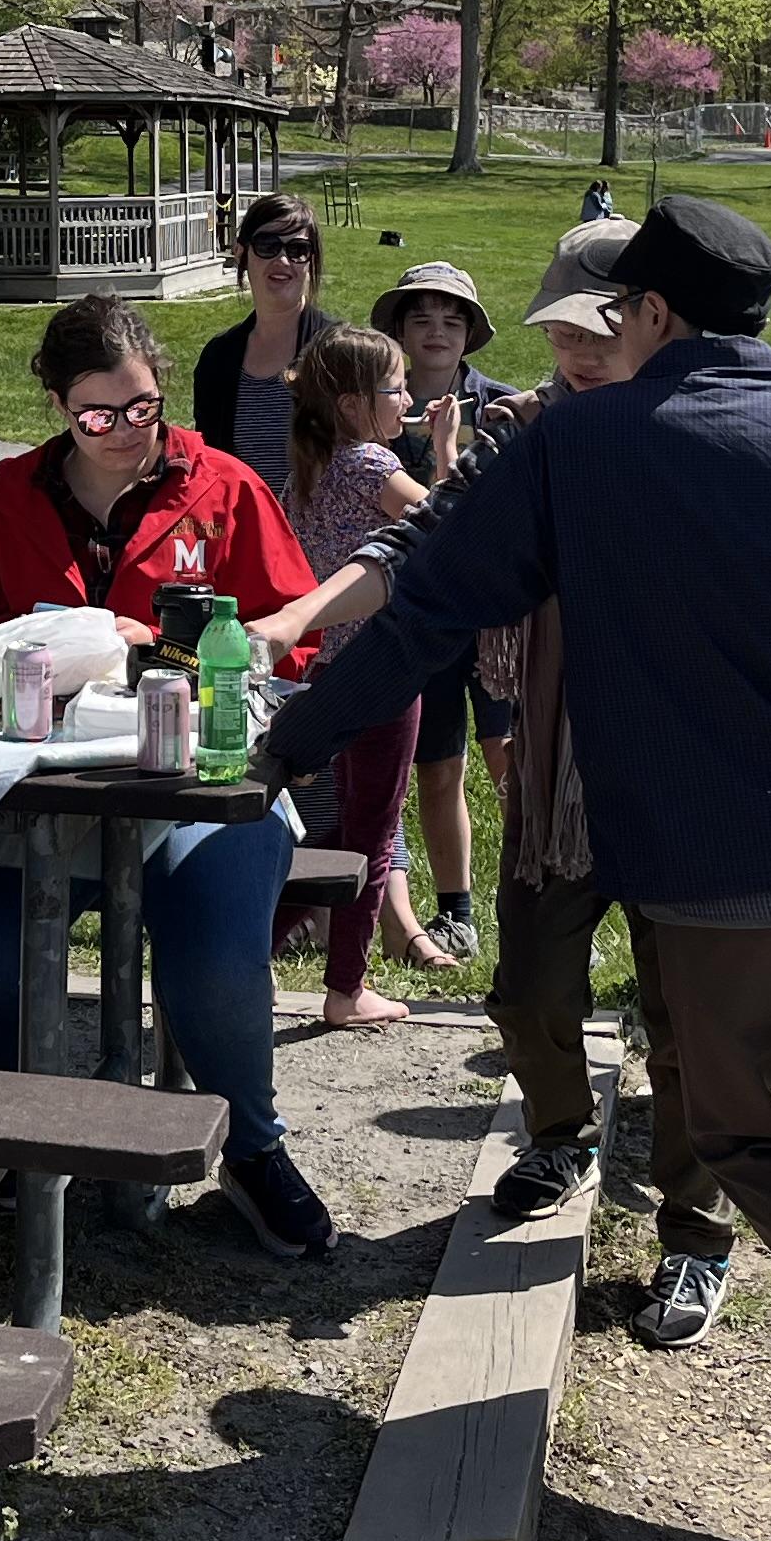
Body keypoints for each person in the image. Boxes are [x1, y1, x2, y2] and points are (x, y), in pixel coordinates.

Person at [258, 195, 771, 1541]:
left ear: (657, 315)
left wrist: (286, 742)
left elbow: (432, 610)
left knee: (752, 1152)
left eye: (623, 309)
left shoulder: (579, 446)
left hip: (717, 888)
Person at [255, 219, 744, 1351]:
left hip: (683, 784)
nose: (575, 352)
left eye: (599, 330)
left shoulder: (706, 441)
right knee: (527, 988)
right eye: (562, 331)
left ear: (654, 329)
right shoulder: (525, 435)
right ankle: (562, 1137)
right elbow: (417, 549)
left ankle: (693, 1236)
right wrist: (297, 614)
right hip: (555, 772)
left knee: (688, 1025)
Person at [0, 292, 339, 1257]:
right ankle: (40, 1118)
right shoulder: (5, 502)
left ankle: (251, 1147)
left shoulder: (225, 488)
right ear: (61, 408)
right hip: (47, 793)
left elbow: (296, 647)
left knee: (210, 954)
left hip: (204, 782)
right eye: (97, 416)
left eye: (143, 407)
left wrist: (160, 650)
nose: (123, 433)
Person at [280, 324, 438, 1022]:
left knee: (339, 830)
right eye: (395, 387)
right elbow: (446, 526)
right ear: (352, 404)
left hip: (327, 668)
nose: (407, 397)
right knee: (371, 832)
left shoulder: (311, 467)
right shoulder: (372, 463)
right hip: (383, 667)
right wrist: (448, 450)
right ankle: (347, 988)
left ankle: (254, 944)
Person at [366, 259, 512, 963]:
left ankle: (540, 901)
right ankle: (457, 908)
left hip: (493, 612)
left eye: (453, 321)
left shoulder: (503, 407)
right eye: (421, 319)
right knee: (437, 762)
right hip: (414, 611)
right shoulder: (373, 417)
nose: (436, 332)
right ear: (397, 331)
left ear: (471, 336)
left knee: (511, 759)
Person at [190, 190, 328, 481]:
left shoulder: (335, 349)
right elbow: (209, 460)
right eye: (267, 245)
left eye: (298, 249)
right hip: (243, 524)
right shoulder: (218, 357)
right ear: (241, 252)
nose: (283, 260)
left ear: (310, 260)